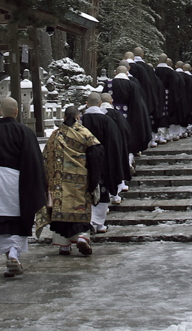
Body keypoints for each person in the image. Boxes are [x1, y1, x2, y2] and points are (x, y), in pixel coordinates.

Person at [0, 96, 47, 278]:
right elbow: (34, 160)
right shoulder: (26, 132)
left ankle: (10, 255)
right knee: (20, 219)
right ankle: (15, 253)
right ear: (16, 112)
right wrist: (37, 183)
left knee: (1, 222)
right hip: (21, 183)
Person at [36, 106, 104, 255]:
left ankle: (64, 245)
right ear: (78, 117)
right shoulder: (85, 134)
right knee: (80, 211)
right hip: (80, 181)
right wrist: (94, 181)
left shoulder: (55, 135)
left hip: (59, 182)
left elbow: (46, 158)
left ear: (64, 118)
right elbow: (95, 156)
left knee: (60, 214)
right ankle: (82, 237)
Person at [81, 92, 125, 232]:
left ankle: (90, 221)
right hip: (104, 162)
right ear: (100, 104)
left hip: (83, 162)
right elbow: (114, 144)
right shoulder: (107, 121)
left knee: (86, 191)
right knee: (103, 190)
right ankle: (99, 223)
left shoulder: (81, 121)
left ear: (87, 104)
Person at [105, 62, 152, 156]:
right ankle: (129, 156)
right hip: (129, 115)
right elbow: (137, 103)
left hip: (111, 115)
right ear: (127, 73)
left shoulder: (109, 84)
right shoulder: (132, 85)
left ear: (115, 73)